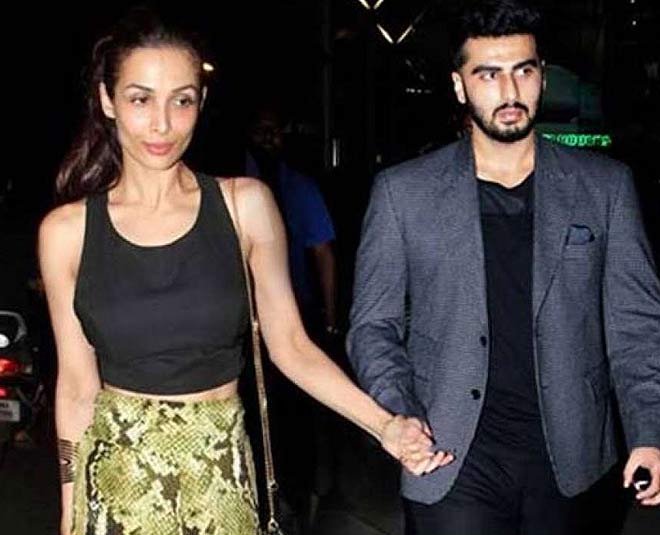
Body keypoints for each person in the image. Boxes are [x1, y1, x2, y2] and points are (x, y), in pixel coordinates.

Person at [38, 8, 444, 535]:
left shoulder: (243, 206)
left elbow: (291, 346)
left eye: (182, 100)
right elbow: (76, 388)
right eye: (141, 99)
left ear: (201, 102)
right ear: (107, 100)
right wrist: (70, 513)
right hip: (118, 488)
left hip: (221, 485)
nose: (162, 124)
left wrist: (385, 425)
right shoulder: (66, 232)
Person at [347, 1, 660, 534]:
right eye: (488, 74)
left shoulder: (605, 187)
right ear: (459, 85)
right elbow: (373, 326)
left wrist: (649, 431)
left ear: (543, 77)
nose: (510, 91)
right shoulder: (403, 193)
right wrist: (400, 412)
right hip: (450, 454)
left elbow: (636, 326)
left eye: (524, 71)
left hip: (573, 456)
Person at [246, 108, 340, 529]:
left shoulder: (298, 187)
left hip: (293, 318)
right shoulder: (232, 187)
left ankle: (293, 503)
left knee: (293, 419)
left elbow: (324, 254)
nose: (268, 139)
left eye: (274, 130)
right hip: (241, 326)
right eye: (261, 130)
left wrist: (330, 320)